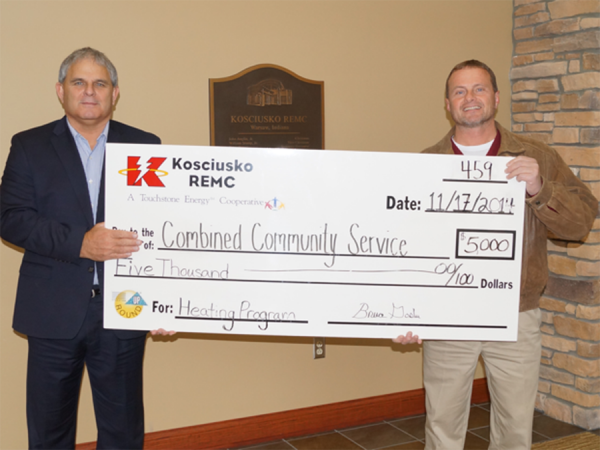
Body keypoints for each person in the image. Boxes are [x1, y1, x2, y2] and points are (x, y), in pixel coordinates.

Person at [394, 60, 597, 449]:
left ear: (496, 98)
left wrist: (540, 189)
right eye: (459, 91)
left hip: (515, 315)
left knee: (515, 431)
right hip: (447, 320)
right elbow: (406, 246)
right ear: (448, 105)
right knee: (442, 427)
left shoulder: (537, 157)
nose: (470, 98)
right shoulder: (424, 165)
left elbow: (580, 225)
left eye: (479, 89)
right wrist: (407, 310)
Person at [0, 47, 172, 450]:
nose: (89, 91)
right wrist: (81, 243)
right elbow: (11, 219)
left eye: (100, 83)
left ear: (115, 93)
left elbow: (165, 228)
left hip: (124, 308)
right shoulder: (29, 145)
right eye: (79, 82)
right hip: (52, 309)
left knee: (122, 430)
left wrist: (166, 301)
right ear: (61, 90)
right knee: (49, 432)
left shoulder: (146, 146)